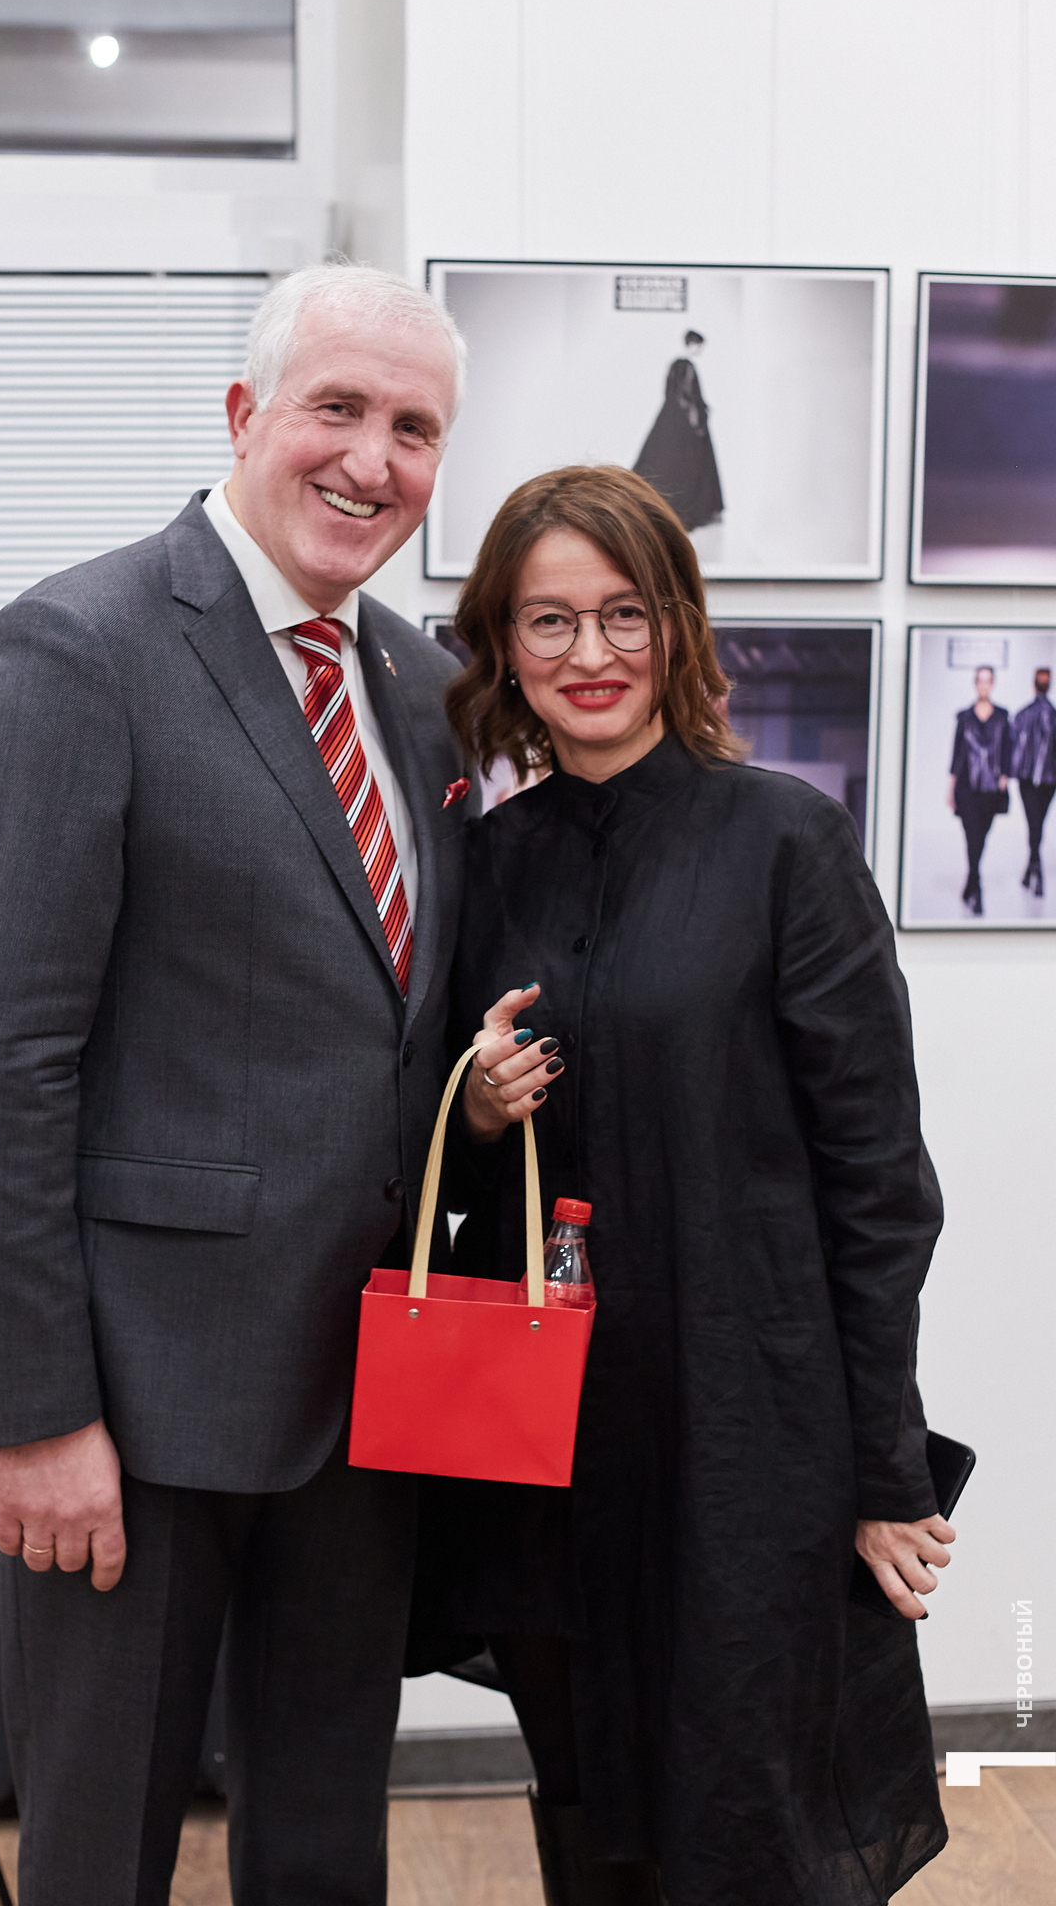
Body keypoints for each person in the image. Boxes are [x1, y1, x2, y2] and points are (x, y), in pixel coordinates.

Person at [0, 263, 494, 1906]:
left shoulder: (418, 688)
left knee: (324, 1855)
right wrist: (35, 1413)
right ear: (244, 414)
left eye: (414, 429)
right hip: (136, 1416)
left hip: (363, 1409)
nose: (372, 460)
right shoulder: (72, 651)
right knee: (102, 1863)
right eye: (338, 409)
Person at [412, 464, 952, 1906]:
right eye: (548, 620)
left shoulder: (785, 843)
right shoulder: (484, 867)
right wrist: (476, 1110)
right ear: (503, 645)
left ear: (676, 625)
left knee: (748, 1823)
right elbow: (435, 1167)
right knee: (589, 1811)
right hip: (549, 1445)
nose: (588, 653)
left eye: (622, 614)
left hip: (744, 1439)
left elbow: (879, 1186)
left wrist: (885, 1471)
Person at [631, 329, 723, 534]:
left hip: (670, 420)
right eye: (699, 345)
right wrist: (697, 422)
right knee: (687, 464)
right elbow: (686, 396)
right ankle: (685, 510)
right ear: (692, 344)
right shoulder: (687, 366)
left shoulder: (675, 365)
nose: (700, 349)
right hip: (685, 424)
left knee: (666, 461)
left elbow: (671, 394)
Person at [948, 665, 1010, 916]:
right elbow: (957, 753)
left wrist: (1005, 776)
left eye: (988, 680)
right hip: (966, 786)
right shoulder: (964, 717)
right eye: (980, 680)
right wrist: (950, 788)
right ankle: (978, 890)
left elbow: (1007, 749)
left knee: (981, 837)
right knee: (971, 836)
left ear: (992, 684)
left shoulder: (1003, 716)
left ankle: (969, 884)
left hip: (992, 787)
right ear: (976, 683)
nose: (984, 685)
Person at [1010, 664, 1056, 897]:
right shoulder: (1052, 715)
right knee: (1037, 824)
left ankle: (1034, 871)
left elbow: (1014, 749)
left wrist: (1011, 773)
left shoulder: (1022, 715)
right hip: (1047, 779)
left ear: (1034, 685)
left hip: (1030, 779)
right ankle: (1033, 871)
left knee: (1034, 824)